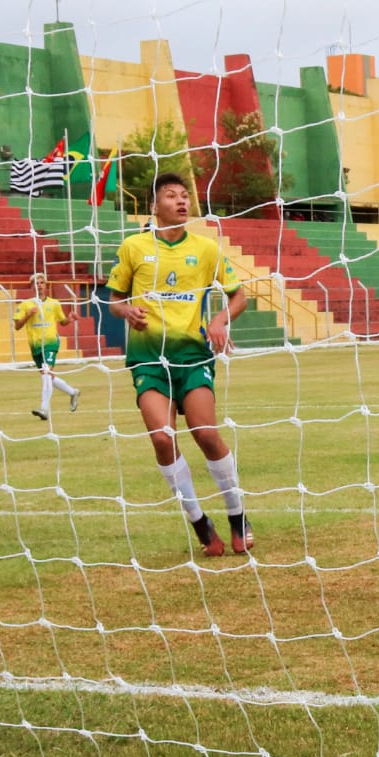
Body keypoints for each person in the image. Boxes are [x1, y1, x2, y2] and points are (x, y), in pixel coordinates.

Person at [107, 172, 253, 557]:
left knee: (205, 434)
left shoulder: (206, 249)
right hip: (147, 358)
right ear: (154, 206)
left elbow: (239, 296)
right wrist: (128, 312)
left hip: (192, 356)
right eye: (171, 196)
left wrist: (221, 319)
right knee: (161, 439)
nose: (181, 201)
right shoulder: (134, 247)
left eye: (185, 195)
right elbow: (114, 299)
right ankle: (200, 522)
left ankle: (237, 515)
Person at [15, 274, 80, 420]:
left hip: (51, 343)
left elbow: (62, 322)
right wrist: (28, 315)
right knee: (48, 376)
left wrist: (69, 318)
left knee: (46, 373)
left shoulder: (54, 303)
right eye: (36, 283)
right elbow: (17, 326)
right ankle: (72, 392)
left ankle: (44, 409)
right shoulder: (25, 305)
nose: (39, 285)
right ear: (32, 287)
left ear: (46, 285)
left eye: (42, 282)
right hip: (35, 345)